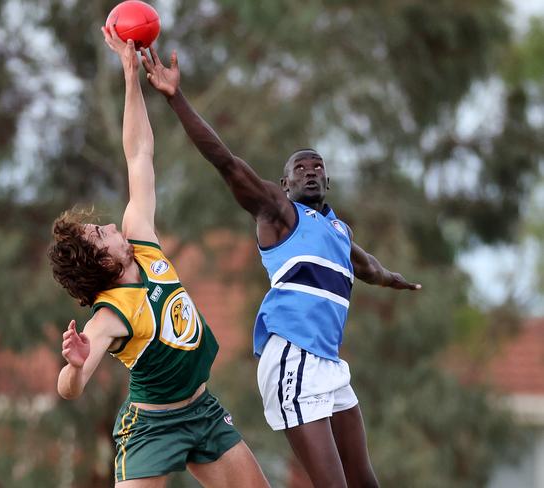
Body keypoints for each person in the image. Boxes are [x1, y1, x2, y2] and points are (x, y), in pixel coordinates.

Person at [140, 47, 422, 488]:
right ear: (285, 181)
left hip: (327, 362)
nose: (310, 171)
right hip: (292, 356)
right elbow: (226, 162)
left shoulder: (339, 232)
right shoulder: (280, 212)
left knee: (365, 480)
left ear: (327, 182)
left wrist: (395, 280)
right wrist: (176, 98)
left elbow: (368, 266)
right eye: (300, 167)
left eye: (318, 167)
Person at [47, 26, 270, 488]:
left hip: (203, 411)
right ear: (101, 264)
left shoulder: (141, 239)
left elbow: (139, 154)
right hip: (151, 428)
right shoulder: (109, 317)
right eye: (99, 235)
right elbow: (68, 391)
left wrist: (131, 77)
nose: (109, 226)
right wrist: (73, 364)